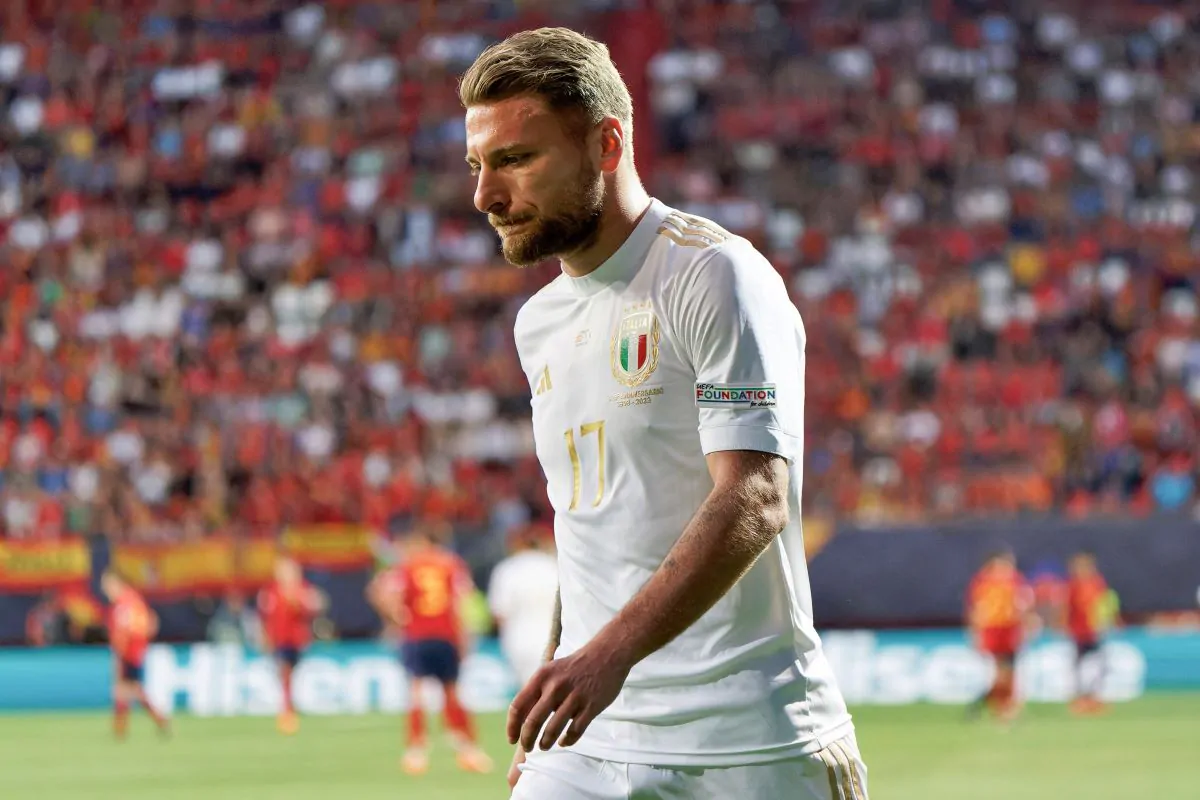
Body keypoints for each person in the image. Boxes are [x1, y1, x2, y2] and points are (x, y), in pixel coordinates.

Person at [460, 27, 863, 799]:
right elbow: (586, 523)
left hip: (747, 745)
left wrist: (603, 659)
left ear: (607, 145)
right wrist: (558, 683)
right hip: (589, 742)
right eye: (478, 166)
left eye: (517, 159)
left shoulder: (713, 275)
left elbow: (756, 495)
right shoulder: (538, 323)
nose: (486, 196)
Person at [367, 528, 493, 776]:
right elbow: (462, 600)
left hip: (416, 635)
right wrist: (464, 636)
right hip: (446, 635)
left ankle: (416, 753)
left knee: (416, 693)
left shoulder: (408, 565)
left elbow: (380, 591)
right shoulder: (452, 564)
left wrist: (397, 617)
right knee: (452, 691)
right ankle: (468, 750)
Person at [258, 555, 326, 735]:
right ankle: (287, 709)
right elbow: (266, 617)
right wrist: (265, 638)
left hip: (297, 640)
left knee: (292, 673)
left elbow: (316, 605)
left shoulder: (302, 589)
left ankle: (290, 706)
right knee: (285, 671)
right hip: (280, 640)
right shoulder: (271, 591)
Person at [488, 524, 560, 687]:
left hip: (518, 639)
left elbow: (499, 613)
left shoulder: (507, 569)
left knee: (527, 689)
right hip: (551, 637)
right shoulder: (553, 567)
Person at [101, 570, 170, 740]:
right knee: (130, 689)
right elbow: (150, 623)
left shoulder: (126, 603)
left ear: (117, 583)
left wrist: (123, 650)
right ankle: (155, 720)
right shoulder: (131, 600)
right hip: (132, 651)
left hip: (128, 653)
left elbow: (132, 629)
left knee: (125, 689)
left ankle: (124, 728)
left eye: (107, 585)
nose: (105, 590)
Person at [965, 550, 1033, 723]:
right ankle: (999, 706)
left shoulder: (1015, 580)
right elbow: (976, 609)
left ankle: (1001, 706)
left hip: (1010, 630)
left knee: (1008, 672)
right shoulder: (982, 581)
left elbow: (1023, 605)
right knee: (999, 673)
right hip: (993, 631)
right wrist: (975, 633)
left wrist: (1026, 627)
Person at [1064, 552, 1115, 715]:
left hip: (1094, 631)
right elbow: (1068, 608)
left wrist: (1106, 621)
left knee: (1097, 665)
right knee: (1079, 666)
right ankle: (1080, 699)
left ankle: (1093, 697)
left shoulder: (1097, 583)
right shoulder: (1073, 585)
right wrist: (1066, 625)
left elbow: (1105, 603)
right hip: (1079, 631)